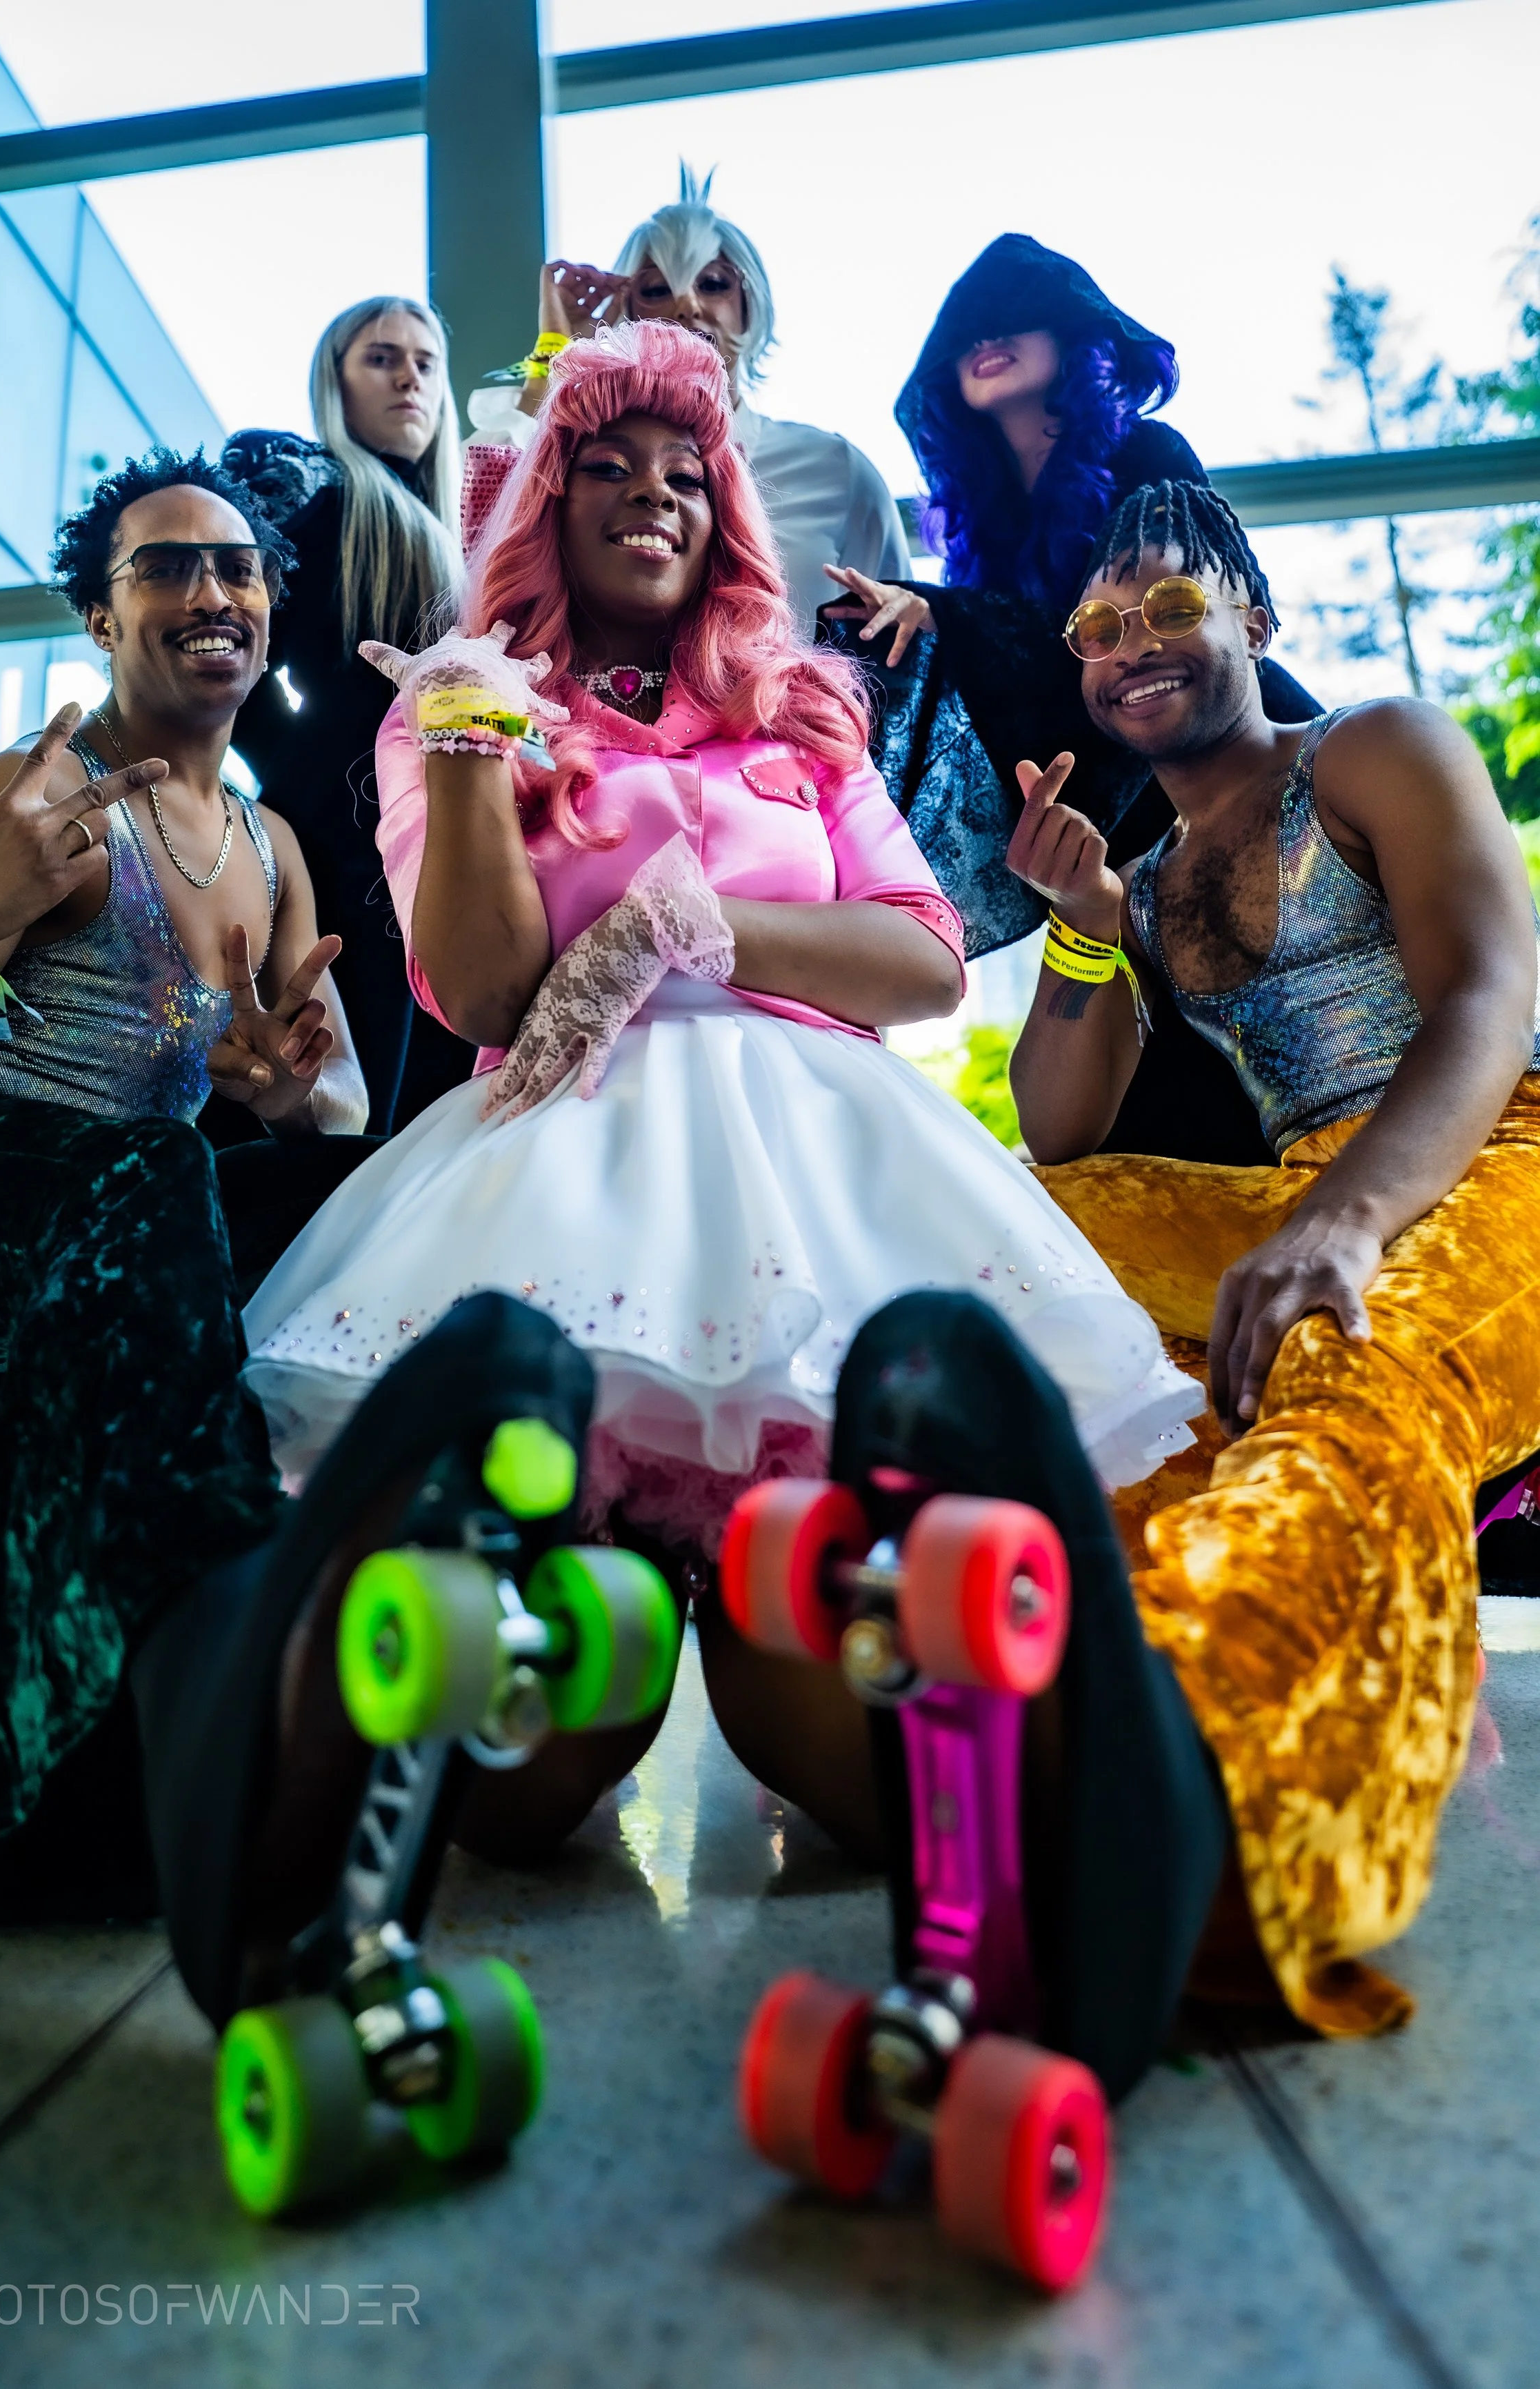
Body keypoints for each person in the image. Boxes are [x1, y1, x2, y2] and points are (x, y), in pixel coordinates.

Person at [239, 320, 1206, 1866]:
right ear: (544, 502)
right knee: (529, 1779)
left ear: (724, 511)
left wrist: (697, 922)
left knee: (841, 1746)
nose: (649, 495)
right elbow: (481, 993)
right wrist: (475, 733)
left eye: (684, 473)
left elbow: (918, 957)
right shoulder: (459, 706)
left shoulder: (805, 717)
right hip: (555, 1203)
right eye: (602, 467)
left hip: (817, 1209)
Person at [0, 448, 388, 1943]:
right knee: (158, 1172)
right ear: (98, 614)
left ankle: (7, 1435)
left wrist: (284, 1092)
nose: (214, 592)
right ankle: (16, 1818)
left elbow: (328, 1107)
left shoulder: (271, 846)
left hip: (135, 1227)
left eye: (240, 567)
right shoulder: (33, 804)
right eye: (167, 566)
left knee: (363, 1186)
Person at [1003, 476, 1540, 2039]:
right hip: (1308, 1181)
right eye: (1098, 628)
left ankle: (1219, 1804)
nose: (1129, 645)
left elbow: (1489, 1009)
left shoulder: (1373, 745)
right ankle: (1038, 1655)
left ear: (1258, 616)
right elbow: (1061, 1126)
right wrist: (1084, 923)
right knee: (1024, 1250)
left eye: (1171, 605)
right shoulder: (1155, 885)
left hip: (1501, 1151)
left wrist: (1346, 1223)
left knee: (1347, 1382)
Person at [829, 235, 1321, 1165]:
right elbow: (1024, 665)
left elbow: (1158, 624)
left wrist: (937, 608)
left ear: (1076, 336)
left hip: (1229, 773)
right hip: (1119, 808)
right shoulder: (983, 521)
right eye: (963, 331)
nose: (984, 340)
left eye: (1013, 317)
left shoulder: (1148, 450)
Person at [226, 298, 477, 1134]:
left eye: (426, 361)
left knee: (447, 1101)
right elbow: (230, 643)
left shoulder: (461, 525)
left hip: (455, 834)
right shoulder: (308, 482)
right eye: (380, 357)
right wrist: (312, 772)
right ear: (333, 382)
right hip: (345, 845)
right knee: (359, 1113)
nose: (409, 375)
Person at [465, 168, 910, 630]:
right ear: (628, 311)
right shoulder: (583, 465)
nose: (687, 306)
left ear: (750, 304)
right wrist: (560, 356)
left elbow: (898, 638)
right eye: (658, 290)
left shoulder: (834, 469)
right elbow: (483, 533)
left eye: (714, 284)